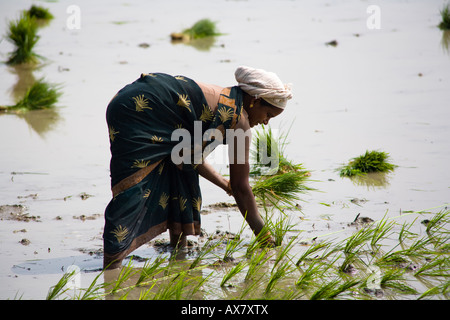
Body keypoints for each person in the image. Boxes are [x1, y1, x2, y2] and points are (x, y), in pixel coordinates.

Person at [103, 66, 292, 269]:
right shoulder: (239, 121)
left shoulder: (226, 102)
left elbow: (188, 155)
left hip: (128, 98)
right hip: (138, 108)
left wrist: (223, 183)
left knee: (177, 169)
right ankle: (110, 269)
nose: (265, 122)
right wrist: (265, 237)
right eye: (268, 115)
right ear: (254, 101)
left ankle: (178, 253)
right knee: (132, 188)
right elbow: (241, 188)